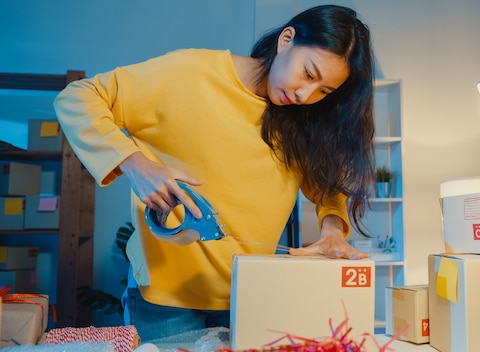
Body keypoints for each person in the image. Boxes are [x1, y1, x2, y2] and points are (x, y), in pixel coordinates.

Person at [54, 4, 375, 341]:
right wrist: (134, 164)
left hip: (251, 297)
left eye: (324, 91)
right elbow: (78, 97)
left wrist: (333, 229)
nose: (305, 94)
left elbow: (327, 188)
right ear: (287, 39)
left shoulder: (302, 120)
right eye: (309, 74)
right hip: (165, 303)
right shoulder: (190, 72)